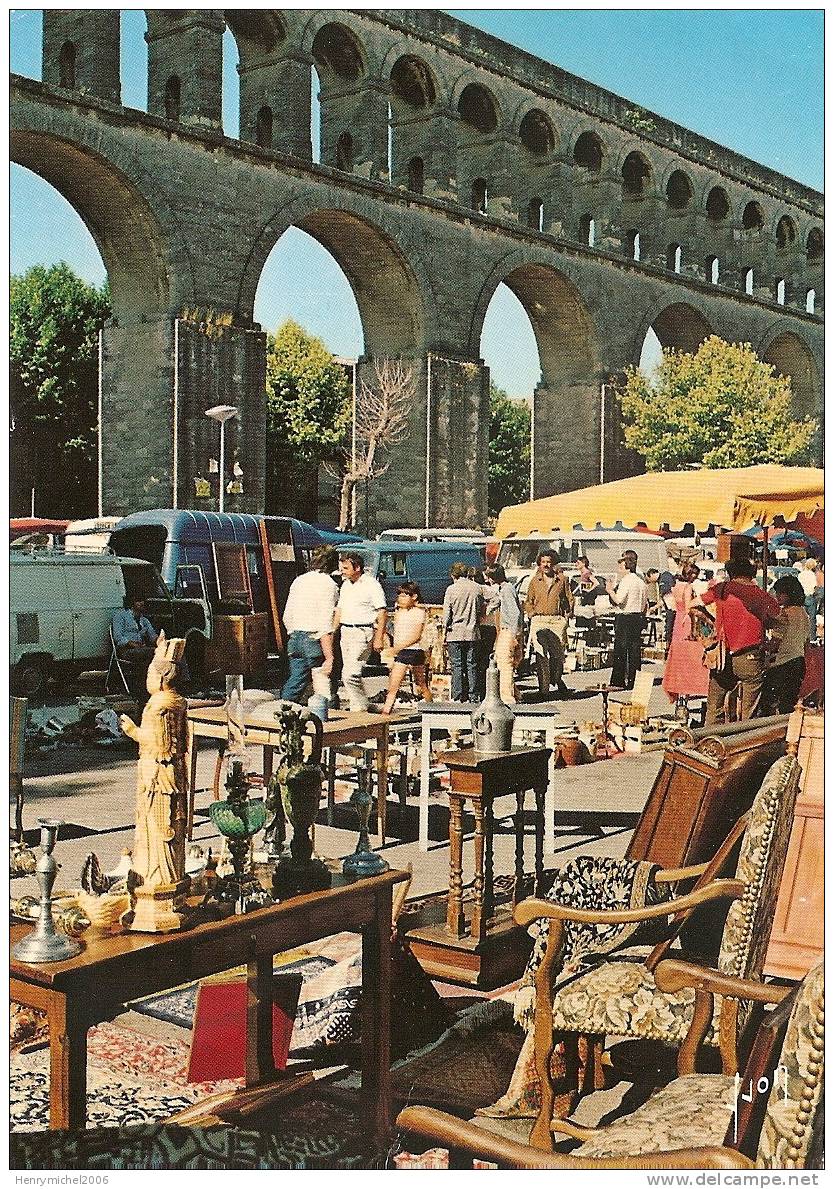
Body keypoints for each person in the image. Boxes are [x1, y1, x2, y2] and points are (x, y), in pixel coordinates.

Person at [693, 557, 781, 725]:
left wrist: (712, 621)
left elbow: (694, 604)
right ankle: (743, 743)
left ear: (730, 573)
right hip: (750, 656)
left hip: (722, 655)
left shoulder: (722, 589)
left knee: (715, 705)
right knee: (750, 710)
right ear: (751, 574)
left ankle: (711, 741)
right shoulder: (760, 594)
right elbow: (779, 618)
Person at [280, 546, 338, 704]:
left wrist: (293, 633)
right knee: (325, 684)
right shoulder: (329, 584)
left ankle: (283, 712)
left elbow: (287, 615)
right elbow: (325, 623)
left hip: (295, 637)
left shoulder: (299, 580)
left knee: (296, 681)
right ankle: (329, 720)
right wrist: (330, 656)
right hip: (314, 639)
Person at [333, 552, 388, 713]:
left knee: (350, 674)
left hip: (363, 632)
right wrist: (332, 632)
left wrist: (379, 638)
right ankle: (359, 706)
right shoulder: (346, 585)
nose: (342, 571)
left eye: (345, 568)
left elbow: (382, 612)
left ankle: (362, 707)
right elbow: (340, 610)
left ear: (357, 568)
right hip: (346, 631)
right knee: (348, 673)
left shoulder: (371, 585)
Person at [523, 550, 573, 697]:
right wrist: (531, 612)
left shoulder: (562, 580)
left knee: (558, 656)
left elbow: (569, 599)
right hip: (539, 619)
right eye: (543, 562)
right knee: (541, 655)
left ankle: (556, 678)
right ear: (539, 563)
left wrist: (567, 617)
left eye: (548, 562)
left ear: (553, 564)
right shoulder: (534, 581)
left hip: (556, 620)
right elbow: (528, 601)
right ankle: (543, 690)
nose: (546, 565)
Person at [661, 563, 709, 705]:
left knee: (679, 654)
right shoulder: (688, 587)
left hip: (678, 619)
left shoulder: (676, 586)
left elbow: (673, 604)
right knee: (690, 654)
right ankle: (690, 685)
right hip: (687, 620)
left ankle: (678, 685)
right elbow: (689, 607)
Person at [381, 582, 432, 714]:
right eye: (399, 596)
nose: (400, 599)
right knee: (395, 685)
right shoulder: (399, 613)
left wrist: (397, 648)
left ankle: (433, 710)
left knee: (420, 685)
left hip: (413, 650)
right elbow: (395, 632)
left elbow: (416, 636)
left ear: (414, 597)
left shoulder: (419, 612)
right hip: (401, 650)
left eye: (404, 596)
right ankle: (386, 712)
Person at [763, 575, 810, 714]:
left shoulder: (784, 614)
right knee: (788, 702)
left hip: (783, 664)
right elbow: (806, 642)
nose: (777, 596)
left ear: (788, 594)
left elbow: (776, 641)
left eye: (779, 593)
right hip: (799, 662)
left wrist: (764, 647)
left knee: (769, 701)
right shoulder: (804, 613)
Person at [442, 561, 483, 701]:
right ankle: (474, 695)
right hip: (473, 632)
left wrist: (444, 629)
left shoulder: (451, 590)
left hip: (455, 632)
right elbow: (494, 600)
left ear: (454, 575)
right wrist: (482, 615)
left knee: (457, 665)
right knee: (472, 665)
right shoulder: (477, 588)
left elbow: (447, 614)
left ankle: (458, 695)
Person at [606, 555, 647, 690]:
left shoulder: (626, 581)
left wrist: (610, 591)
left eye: (621, 565)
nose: (619, 568)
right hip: (638, 616)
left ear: (626, 566)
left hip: (625, 617)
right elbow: (644, 603)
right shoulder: (641, 582)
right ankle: (634, 680)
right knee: (635, 650)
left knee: (621, 650)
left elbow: (619, 600)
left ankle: (618, 680)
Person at [485, 564, 522, 703]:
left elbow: (515, 613)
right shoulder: (504, 589)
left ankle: (507, 697)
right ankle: (516, 694)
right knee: (504, 662)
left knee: (504, 663)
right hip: (506, 631)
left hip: (508, 631)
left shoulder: (507, 590)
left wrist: (514, 635)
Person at [112, 596, 158, 700]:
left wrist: (163, 643)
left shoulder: (144, 620)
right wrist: (132, 644)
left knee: (170, 651)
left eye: (142, 601)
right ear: (132, 603)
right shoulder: (120, 616)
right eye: (138, 601)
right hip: (127, 650)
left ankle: (184, 683)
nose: (141, 603)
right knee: (153, 653)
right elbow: (117, 637)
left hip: (141, 650)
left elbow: (152, 636)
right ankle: (147, 688)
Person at [472, 566, 499, 700]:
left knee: (480, 659)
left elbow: (496, 599)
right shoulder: (482, 589)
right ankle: (483, 689)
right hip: (487, 626)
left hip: (484, 626)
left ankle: (482, 689)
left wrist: (486, 610)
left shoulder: (481, 589)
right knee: (483, 659)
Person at [798, 558, 820, 640]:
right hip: (810, 597)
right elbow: (815, 586)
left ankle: (802, 637)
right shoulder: (812, 575)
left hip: (802, 597)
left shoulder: (801, 574)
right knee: (811, 619)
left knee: (802, 619)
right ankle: (812, 638)